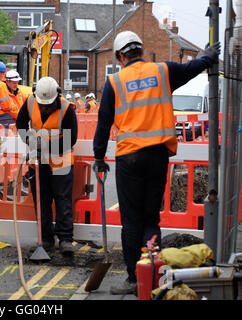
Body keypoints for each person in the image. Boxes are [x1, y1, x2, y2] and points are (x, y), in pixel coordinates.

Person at [93, 30, 220, 294]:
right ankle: (153, 274)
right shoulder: (163, 71)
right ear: (141, 49)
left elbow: (103, 123)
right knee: (151, 218)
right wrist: (208, 56)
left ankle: (133, 279)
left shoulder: (115, 82)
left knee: (131, 221)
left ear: (120, 55)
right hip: (157, 155)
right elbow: (193, 67)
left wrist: (98, 157)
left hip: (129, 157)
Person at [16, 76, 78, 255]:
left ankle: (65, 239)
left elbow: (70, 139)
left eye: (48, 105)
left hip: (61, 160)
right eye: (42, 105)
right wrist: (29, 139)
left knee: (63, 199)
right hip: (38, 163)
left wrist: (43, 148)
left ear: (56, 97)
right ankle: (46, 239)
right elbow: (20, 123)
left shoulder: (66, 109)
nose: (44, 108)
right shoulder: (30, 102)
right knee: (41, 201)